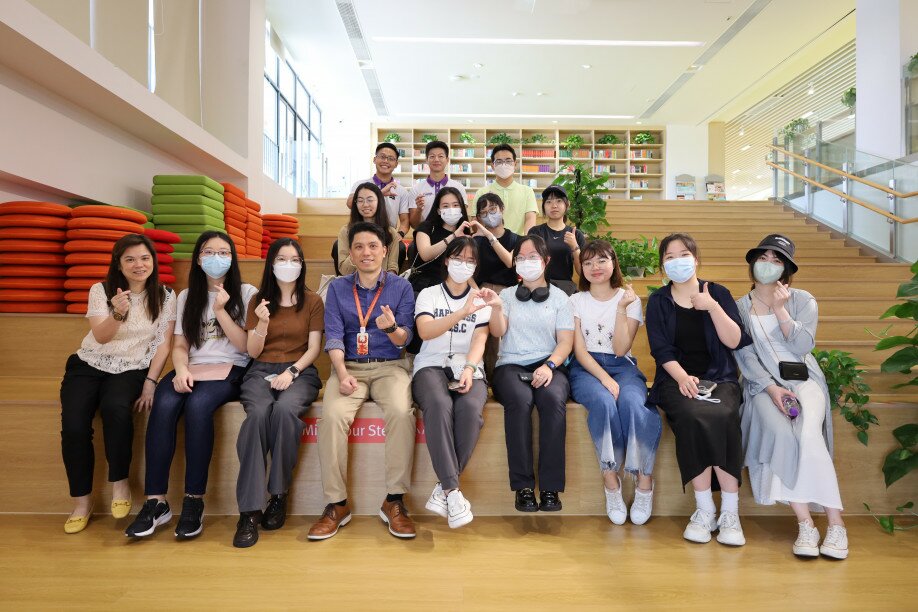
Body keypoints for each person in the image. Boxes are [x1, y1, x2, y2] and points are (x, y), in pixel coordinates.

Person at [125, 232, 257, 539]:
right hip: (194, 368)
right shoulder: (186, 297)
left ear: (232, 258)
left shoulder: (248, 292)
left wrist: (222, 311)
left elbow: (246, 347)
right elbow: (180, 344)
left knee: (198, 406)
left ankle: (193, 500)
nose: (216, 258)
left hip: (232, 369)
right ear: (198, 259)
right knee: (164, 400)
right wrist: (181, 370)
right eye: (209, 252)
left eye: (223, 252)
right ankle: (155, 502)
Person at [734, 234, 847, 559]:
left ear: (786, 268)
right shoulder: (741, 306)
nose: (768, 264)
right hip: (762, 388)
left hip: (805, 381)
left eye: (776, 259)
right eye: (763, 258)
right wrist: (771, 389)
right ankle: (806, 524)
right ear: (753, 262)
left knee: (809, 435)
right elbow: (745, 356)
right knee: (784, 434)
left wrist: (782, 311)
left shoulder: (802, 300)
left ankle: (836, 524)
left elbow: (802, 348)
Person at [60, 234, 176, 534]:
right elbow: (101, 336)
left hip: (132, 368)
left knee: (116, 410)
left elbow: (163, 345)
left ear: (153, 261)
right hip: (88, 363)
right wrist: (118, 312)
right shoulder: (100, 291)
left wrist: (151, 382)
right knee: (74, 426)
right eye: (131, 259)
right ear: (119, 264)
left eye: (145, 258)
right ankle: (81, 503)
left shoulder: (165, 296)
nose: (139, 265)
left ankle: (120, 483)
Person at [309, 222, 417, 540]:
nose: (366, 252)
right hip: (349, 368)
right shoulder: (339, 288)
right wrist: (342, 375)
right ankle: (337, 504)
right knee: (330, 416)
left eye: (373, 246)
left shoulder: (401, 287)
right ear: (351, 254)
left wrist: (389, 327)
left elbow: (405, 340)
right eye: (359, 247)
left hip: (390, 367)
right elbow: (334, 337)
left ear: (385, 251)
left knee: (400, 411)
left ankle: (394, 501)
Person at [645, 233, 752, 547]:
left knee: (723, 414)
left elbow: (734, 340)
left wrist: (712, 307)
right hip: (675, 380)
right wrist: (682, 378)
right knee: (693, 415)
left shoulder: (717, 292)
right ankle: (704, 510)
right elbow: (661, 351)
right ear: (663, 265)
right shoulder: (658, 301)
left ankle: (730, 513)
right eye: (669, 256)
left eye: (683, 253)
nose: (677, 260)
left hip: (721, 379)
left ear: (696, 258)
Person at [232, 238, 324, 548]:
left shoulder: (312, 301)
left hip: (300, 370)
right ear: (272, 264)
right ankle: (248, 511)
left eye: (294, 258)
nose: (288, 264)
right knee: (258, 414)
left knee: (285, 411)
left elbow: (313, 348)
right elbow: (252, 350)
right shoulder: (259, 300)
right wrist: (262, 322)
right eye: (282, 258)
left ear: (302, 263)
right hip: (260, 369)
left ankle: (279, 494)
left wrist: (292, 372)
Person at [568, 240, 662, 526]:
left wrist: (621, 308)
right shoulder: (576, 301)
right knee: (603, 401)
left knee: (634, 403)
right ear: (581, 268)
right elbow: (580, 351)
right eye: (588, 263)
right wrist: (604, 377)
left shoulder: (628, 299)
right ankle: (611, 482)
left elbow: (621, 349)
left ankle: (644, 482)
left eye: (601, 261)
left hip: (623, 366)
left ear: (613, 263)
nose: (595, 268)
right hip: (587, 368)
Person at [413, 237, 494, 528]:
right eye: (458, 259)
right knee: (438, 403)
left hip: (468, 366)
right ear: (447, 260)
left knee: (471, 411)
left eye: (470, 261)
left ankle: (444, 489)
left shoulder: (482, 299)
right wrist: (461, 312)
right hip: (430, 365)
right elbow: (425, 331)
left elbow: (481, 337)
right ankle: (453, 490)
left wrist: (471, 368)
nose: (464, 265)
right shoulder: (428, 294)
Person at [490, 235, 574, 512]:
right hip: (510, 365)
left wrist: (549, 366)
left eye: (533, 257)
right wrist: (496, 308)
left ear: (546, 261)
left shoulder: (561, 298)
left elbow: (565, 342)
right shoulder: (505, 295)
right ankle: (523, 487)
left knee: (551, 400)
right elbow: (498, 332)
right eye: (521, 258)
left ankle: (550, 488)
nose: (526, 262)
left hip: (550, 363)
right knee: (520, 400)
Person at [470, 192, 518, 380]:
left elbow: (509, 262)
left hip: (508, 292)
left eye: (493, 209)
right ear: (478, 218)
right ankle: (486, 376)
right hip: (481, 290)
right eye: (483, 213)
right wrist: (477, 290)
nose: (489, 215)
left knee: (504, 336)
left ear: (502, 209)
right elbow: (468, 272)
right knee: (484, 336)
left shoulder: (516, 239)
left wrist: (489, 235)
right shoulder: (476, 242)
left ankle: (503, 376)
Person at [527, 185, 585, 295]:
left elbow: (583, 272)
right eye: (548, 202)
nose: (554, 206)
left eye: (559, 201)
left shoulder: (576, 234)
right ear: (543, 207)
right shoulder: (535, 232)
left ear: (567, 205)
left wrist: (575, 247)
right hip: (539, 287)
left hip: (565, 289)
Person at [346, 142, 411, 237]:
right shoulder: (360, 184)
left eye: (391, 159)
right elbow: (350, 203)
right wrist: (380, 194)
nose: (386, 161)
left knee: (400, 248)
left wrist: (400, 235)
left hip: (388, 235)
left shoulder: (402, 191)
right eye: (382, 157)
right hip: (361, 232)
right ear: (374, 159)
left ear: (396, 164)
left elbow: (405, 221)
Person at [335, 182, 400, 276]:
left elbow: (392, 268)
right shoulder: (346, 231)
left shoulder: (391, 232)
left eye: (370, 200)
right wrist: (356, 250)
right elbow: (344, 270)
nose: (365, 205)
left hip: (382, 285)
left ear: (379, 202)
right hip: (354, 285)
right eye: (360, 200)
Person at [474, 144, 537, 235]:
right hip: (489, 243)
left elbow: (530, 220)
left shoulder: (527, 191)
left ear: (515, 164)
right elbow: (476, 222)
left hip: (518, 244)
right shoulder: (481, 192)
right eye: (499, 161)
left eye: (508, 161)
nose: (504, 164)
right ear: (492, 165)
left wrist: (525, 243)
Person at [409, 140, 468, 229]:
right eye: (432, 156)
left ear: (447, 160)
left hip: (452, 234)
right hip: (425, 235)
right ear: (426, 160)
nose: (436, 159)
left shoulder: (458, 187)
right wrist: (419, 209)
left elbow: (463, 217)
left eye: (440, 156)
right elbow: (414, 225)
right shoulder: (416, 189)